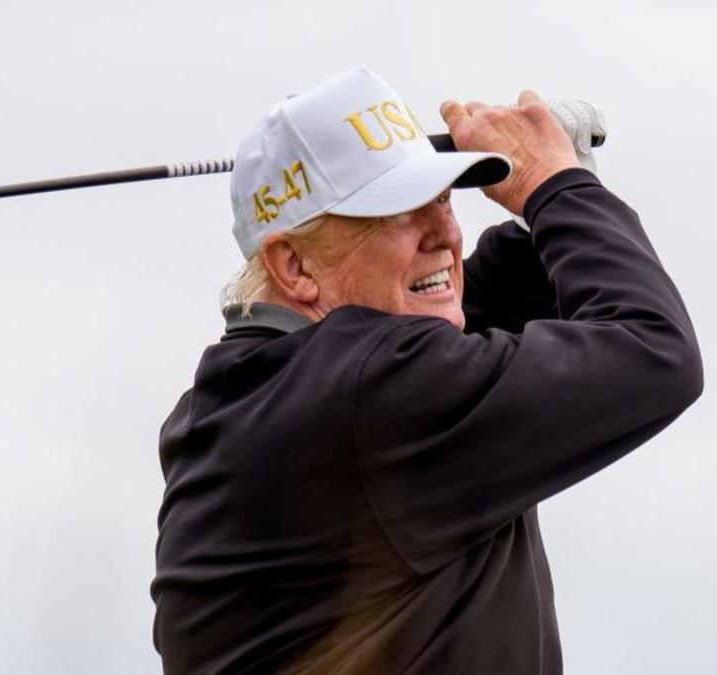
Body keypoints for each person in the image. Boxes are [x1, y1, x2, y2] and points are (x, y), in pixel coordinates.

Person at [150, 68, 704, 674]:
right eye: (396, 211)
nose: (445, 232)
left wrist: (536, 215)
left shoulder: (250, 394)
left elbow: (475, 312)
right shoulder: (375, 393)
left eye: (441, 198)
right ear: (295, 266)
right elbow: (655, 353)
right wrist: (555, 186)